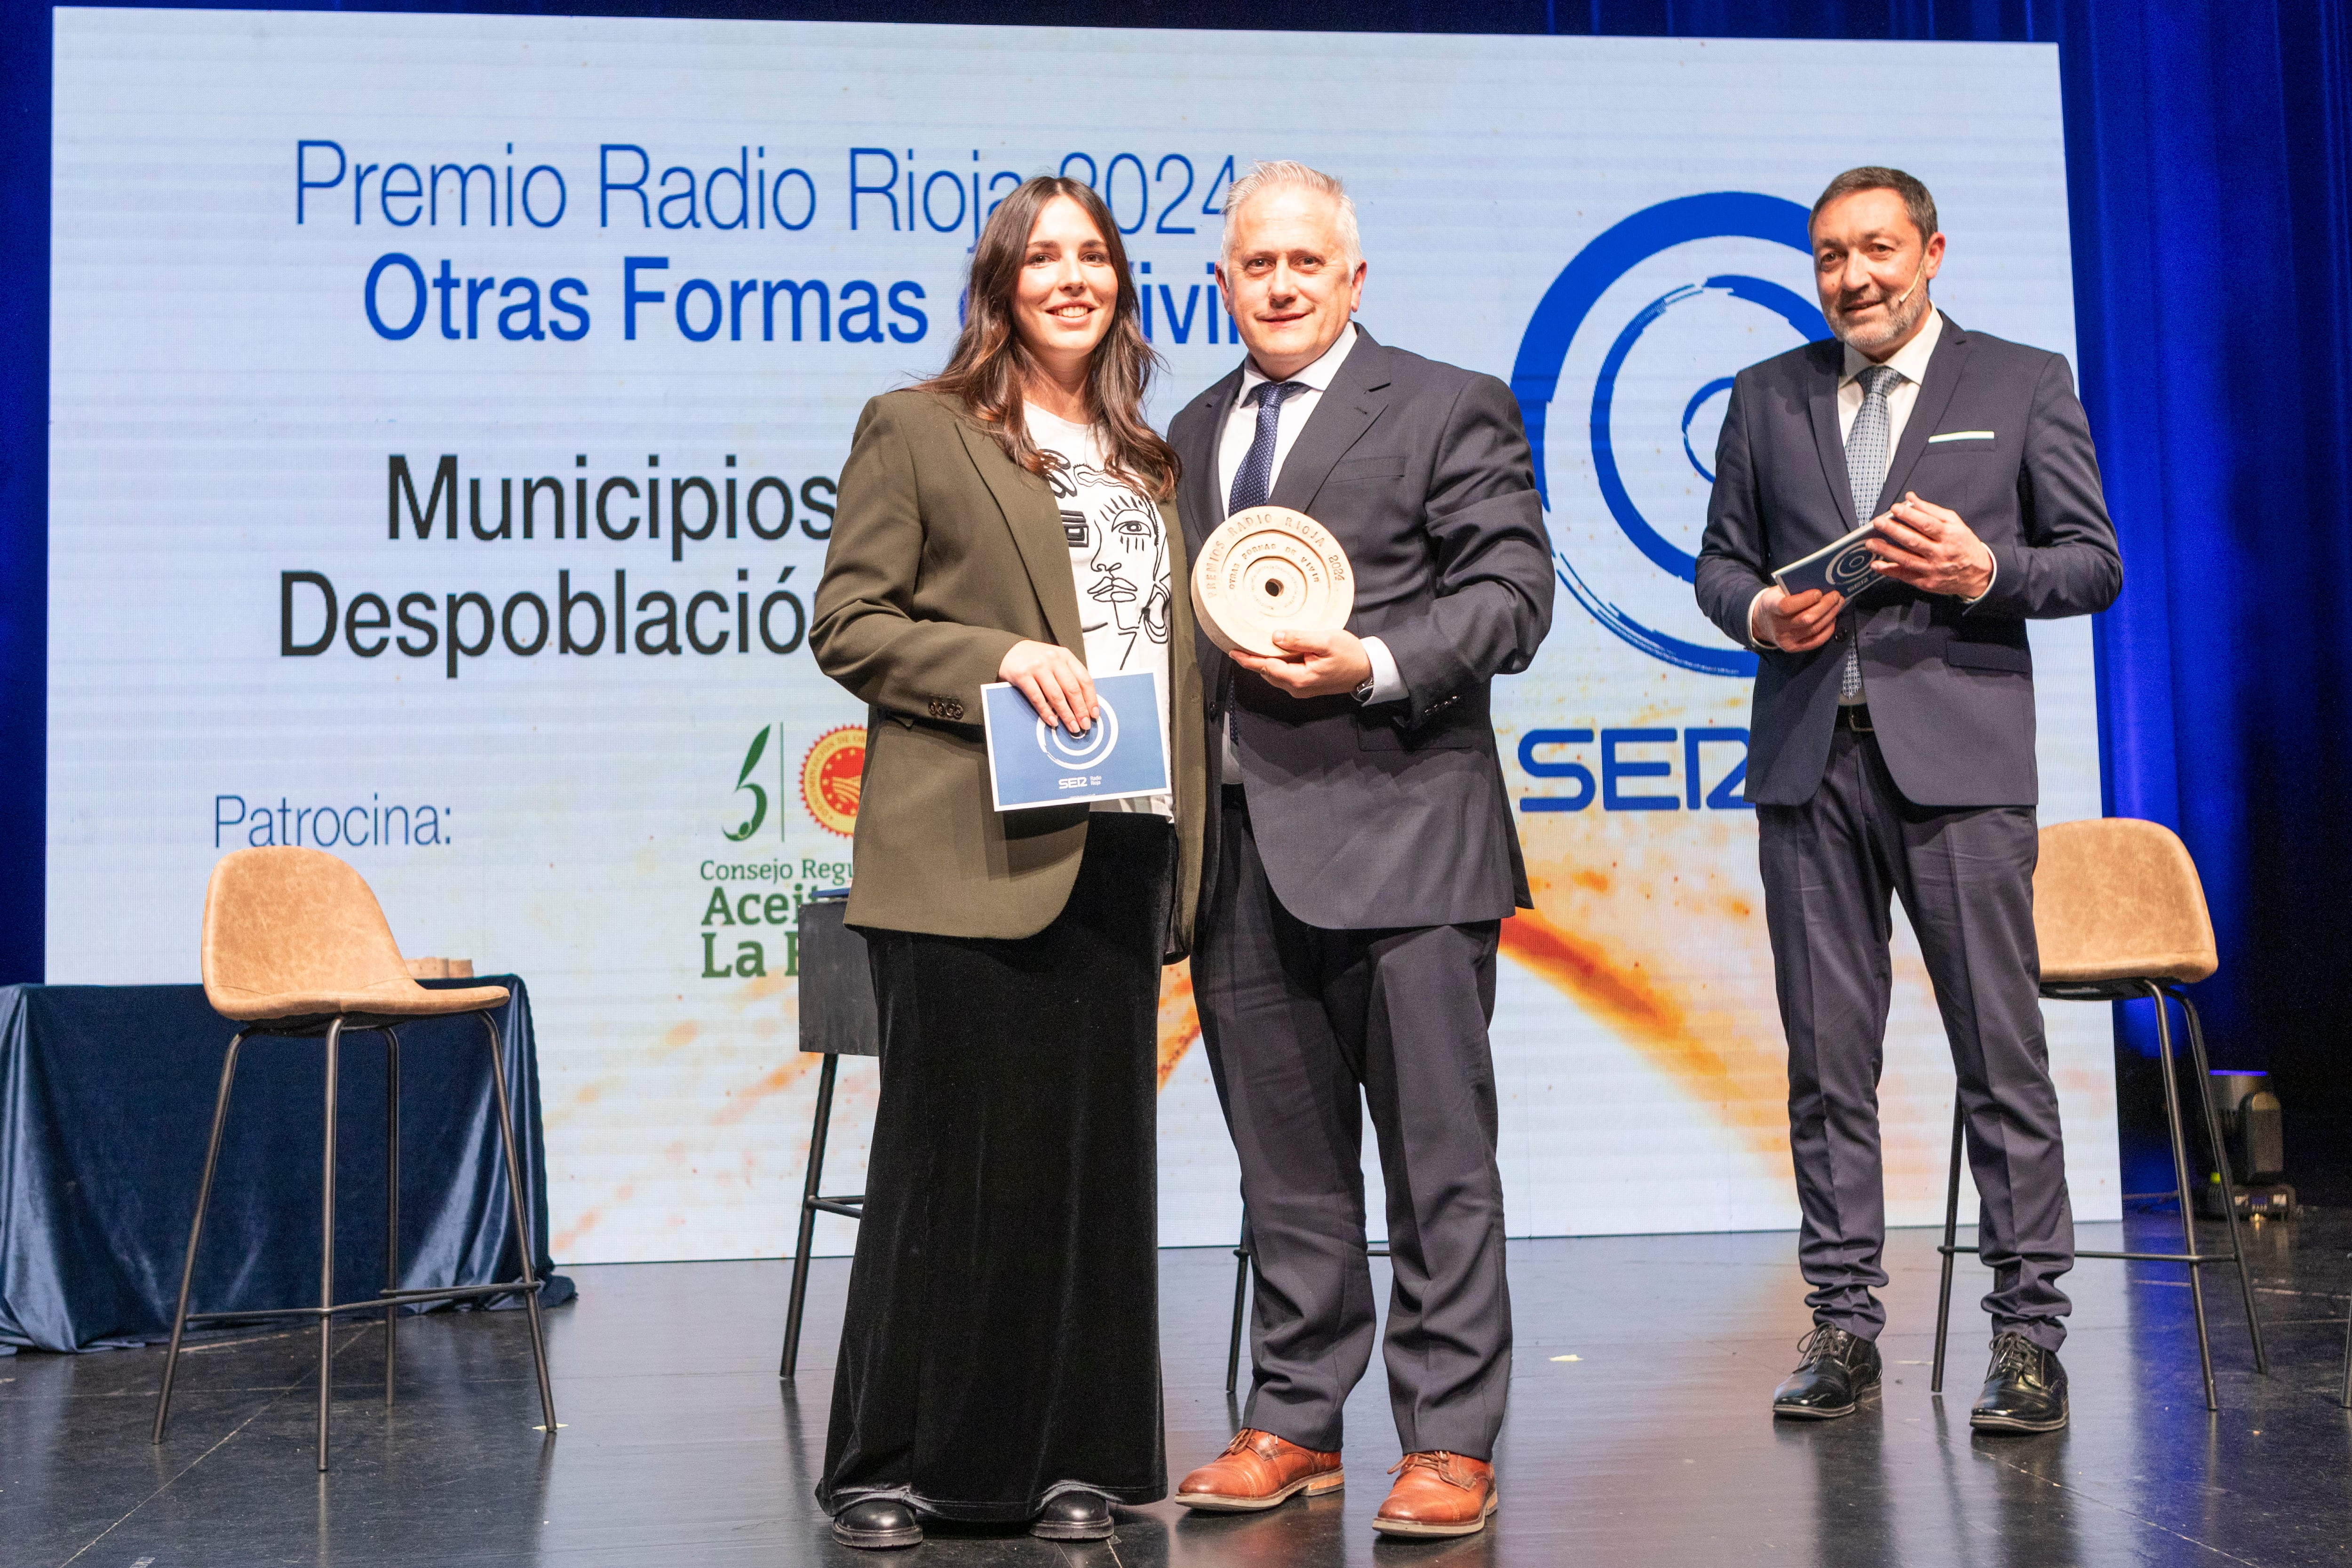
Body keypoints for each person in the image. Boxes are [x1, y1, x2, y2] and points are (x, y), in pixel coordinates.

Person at [808, 174, 1208, 1549]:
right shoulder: (919, 429)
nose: (1072, 277)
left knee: (1093, 1175)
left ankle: (1075, 1465)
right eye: (1044, 257)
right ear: (1001, 283)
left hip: (1119, 842)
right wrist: (999, 661)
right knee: (944, 1162)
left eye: (1094, 256)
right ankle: (891, 1464)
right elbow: (850, 623)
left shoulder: (1150, 461)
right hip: (971, 844)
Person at [1695, 167, 2122, 1433]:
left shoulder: (2022, 378)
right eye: (1830, 257)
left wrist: (1989, 570)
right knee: (1829, 1062)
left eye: (1877, 249)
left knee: (2002, 1054)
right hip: (1809, 761)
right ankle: (1842, 1327)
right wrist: (1762, 611)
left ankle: (2029, 1338)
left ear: (1931, 250)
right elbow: (1721, 566)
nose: (1853, 278)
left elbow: (2092, 564)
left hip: (1962, 768)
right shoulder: (1765, 395)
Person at [1164, 161, 1552, 1539]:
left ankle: (1450, 1436)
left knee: (1439, 1159)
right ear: (1224, 283)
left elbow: (1513, 598)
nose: (1278, 286)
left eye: (1303, 265)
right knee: (1284, 1165)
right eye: (1254, 266)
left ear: (1353, 278)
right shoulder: (1193, 427)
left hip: (1410, 840)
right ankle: (1295, 1417)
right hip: (1238, 857)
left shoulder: (1449, 404)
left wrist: (1374, 661)